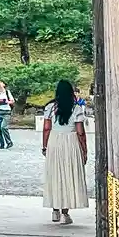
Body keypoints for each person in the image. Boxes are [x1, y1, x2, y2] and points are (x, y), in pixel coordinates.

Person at [41, 78, 88, 225]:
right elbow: (80, 132)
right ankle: (65, 213)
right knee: (68, 174)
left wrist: (45, 145)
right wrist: (84, 149)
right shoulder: (76, 109)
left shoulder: (50, 108)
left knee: (55, 174)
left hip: (54, 141)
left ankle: (55, 209)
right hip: (70, 142)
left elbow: (47, 128)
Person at [0, 80, 14, 149]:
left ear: (4, 84)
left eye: (1, 83)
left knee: (3, 127)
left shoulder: (7, 92)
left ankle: (9, 142)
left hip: (7, 111)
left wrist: (7, 101)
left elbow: (12, 101)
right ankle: (2, 144)